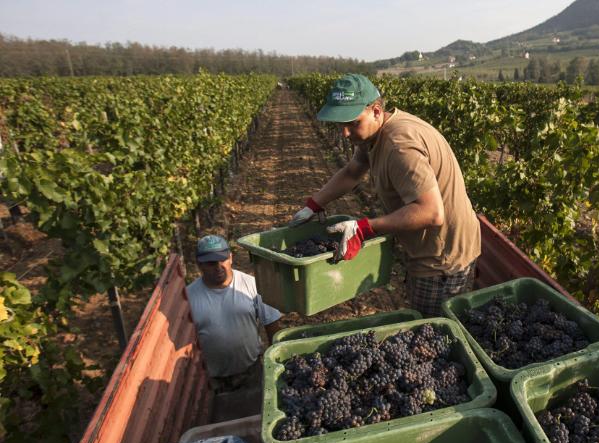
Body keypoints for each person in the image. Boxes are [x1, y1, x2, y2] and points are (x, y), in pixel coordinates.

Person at [290, 73, 481, 317]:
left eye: (352, 123)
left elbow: (431, 213)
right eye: (340, 124)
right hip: (436, 247)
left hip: (441, 260)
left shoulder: (399, 145)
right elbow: (353, 170)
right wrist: (314, 204)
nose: (345, 134)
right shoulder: (375, 134)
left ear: (376, 111)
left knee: (432, 331)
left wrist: (364, 228)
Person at [185, 235, 282, 393]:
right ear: (199, 264)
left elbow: (272, 325)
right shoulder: (189, 297)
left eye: (222, 260)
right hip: (213, 380)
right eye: (211, 263)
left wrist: (278, 362)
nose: (218, 267)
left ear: (230, 258)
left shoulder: (252, 285)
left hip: (251, 372)